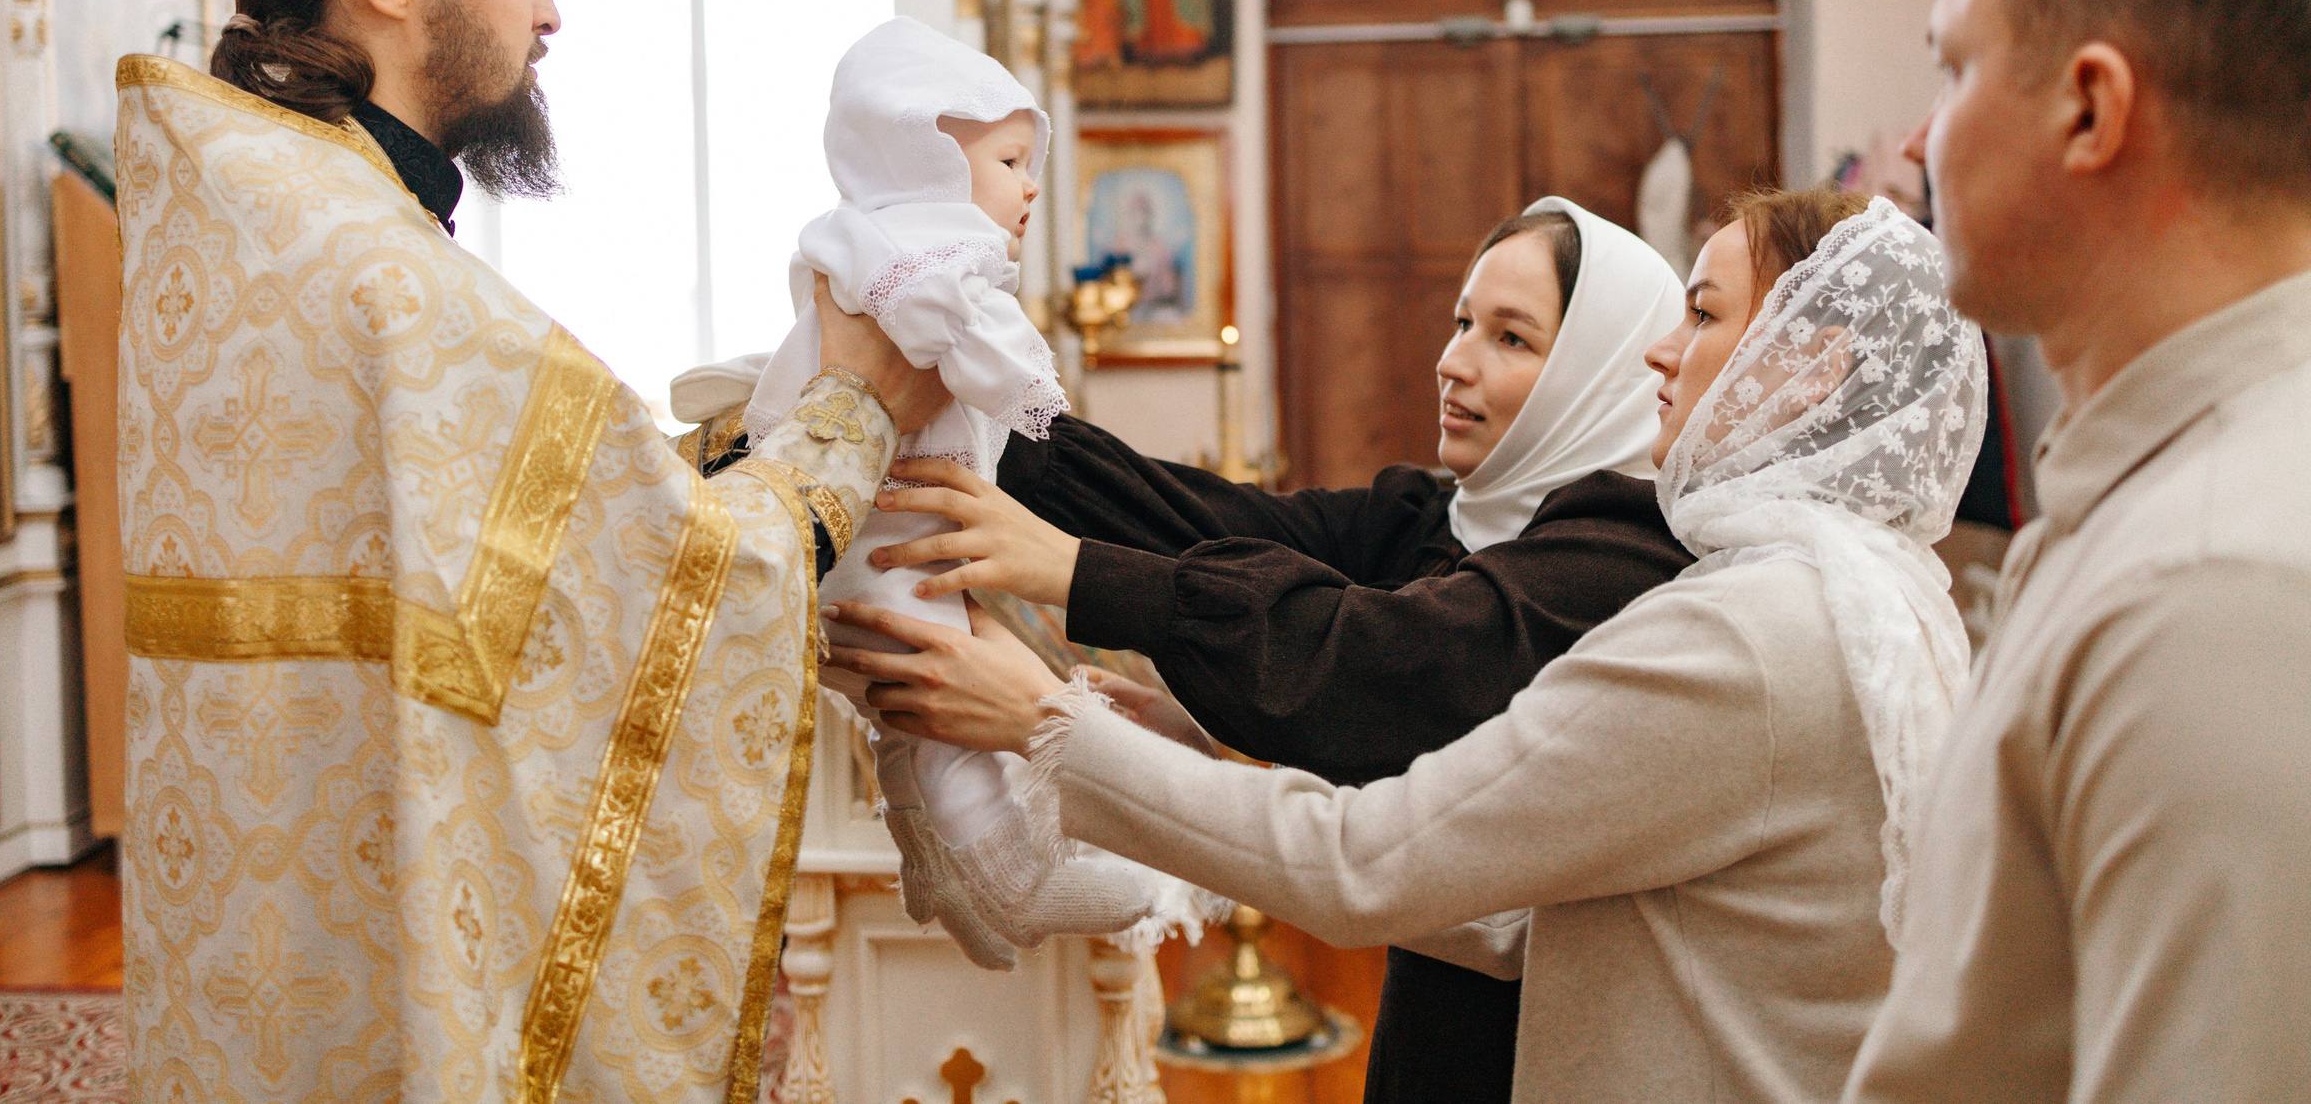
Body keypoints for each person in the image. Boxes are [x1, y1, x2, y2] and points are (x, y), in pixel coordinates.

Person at [115, 0, 947, 1104]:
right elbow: (697, 574)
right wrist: (856, 401)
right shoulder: (366, 257)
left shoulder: (269, 212)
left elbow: (491, 542)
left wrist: (709, 446)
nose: (548, 8)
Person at [836, 191, 1988, 1104]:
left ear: (1809, 364)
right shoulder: (1878, 596)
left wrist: (1045, 725)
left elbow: (1365, 856)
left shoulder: (1730, 620)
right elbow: (1536, 916)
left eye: (1702, 314)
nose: (1658, 356)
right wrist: (996, 421)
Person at [1846, 0, 2311, 1104]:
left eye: (1951, 68)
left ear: (2090, 109)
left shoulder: (2215, 589)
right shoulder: (2159, 493)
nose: (1924, 137)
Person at [672, 16, 1160, 970]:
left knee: (907, 707)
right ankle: (1007, 876)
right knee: (938, 684)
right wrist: (1031, 391)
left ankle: (939, 862)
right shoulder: (925, 251)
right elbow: (957, 331)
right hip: (876, 515)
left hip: (871, 505)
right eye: (1012, 160)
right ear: (925, 154)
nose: (1030, 186)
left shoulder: (870, 236)